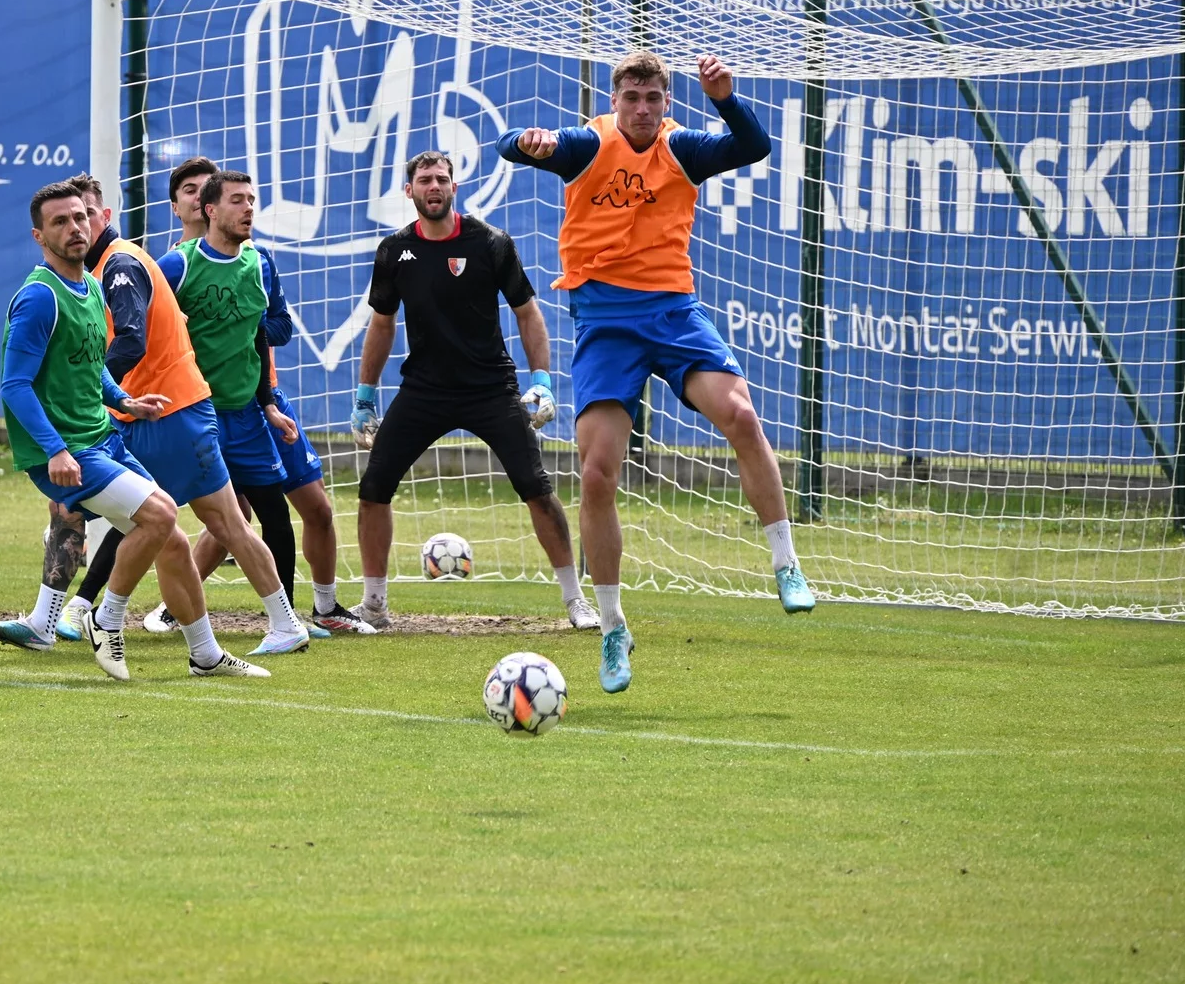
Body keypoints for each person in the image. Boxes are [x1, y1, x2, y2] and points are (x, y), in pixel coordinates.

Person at [496, 51, 816, 696]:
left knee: (741, 414)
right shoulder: (588, 146)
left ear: (667, 102)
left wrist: (724, 97)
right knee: (596, 473)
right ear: (615, 100)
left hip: (673, 313)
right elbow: (512, 146)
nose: (642, 109)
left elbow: (753, 146)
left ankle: (786, 562)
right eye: (631, 97)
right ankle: (613, 625)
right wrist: (525, 142)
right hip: (606, 323)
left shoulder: (682, 148)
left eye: (653, 98)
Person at [0, 181, 266, 680]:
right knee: (159, 516)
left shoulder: (91, 287)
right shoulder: (39, 298)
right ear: (38, 236)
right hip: (68, 451)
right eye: (60, 222)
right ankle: (105, 617)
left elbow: (93, 365)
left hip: (102, 437)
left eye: (80, 217)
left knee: (172, 539)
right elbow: (14, 386)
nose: (75, 228)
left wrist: (124, 400)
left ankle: (205, 655)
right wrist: (55, 450)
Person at [350, 150, 596, 631]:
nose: (434, 186)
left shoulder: (491, 242)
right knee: (373, 489)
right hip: (423, 391)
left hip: (491, 390)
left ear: (454, 188)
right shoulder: (393, 251)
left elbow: (528, 313)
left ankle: (575, 600)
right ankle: (374, 605)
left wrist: (542, 381)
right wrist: (364, 397)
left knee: (537, 490)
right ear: (410, 191)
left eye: (442, 179)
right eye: (425, 180)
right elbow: (381, 324)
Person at [155, 170, 358, 653]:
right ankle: (99, 607)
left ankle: (288, 621)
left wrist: (266, 401)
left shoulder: (258, 262)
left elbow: (268, 332)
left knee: (272, 514)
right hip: (192, 412)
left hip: (247, 413)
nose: (249, 208)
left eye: (252, 199)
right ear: (208, 210)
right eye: (238, 200)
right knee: (151, 513)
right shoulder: (176, 265)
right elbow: (141, 327)